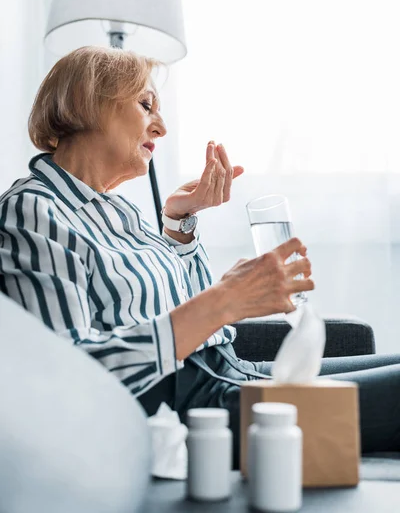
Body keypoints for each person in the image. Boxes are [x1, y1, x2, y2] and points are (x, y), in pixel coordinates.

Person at [0, 46, 399, 467]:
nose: (162, 127)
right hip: (196, 410)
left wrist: (180, 220)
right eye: (146, 104)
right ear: (87, 103)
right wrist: (225, 300)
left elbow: (183, 315)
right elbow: (72, 375)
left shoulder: (114, 210)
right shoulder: (33, 210)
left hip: (230, 371)